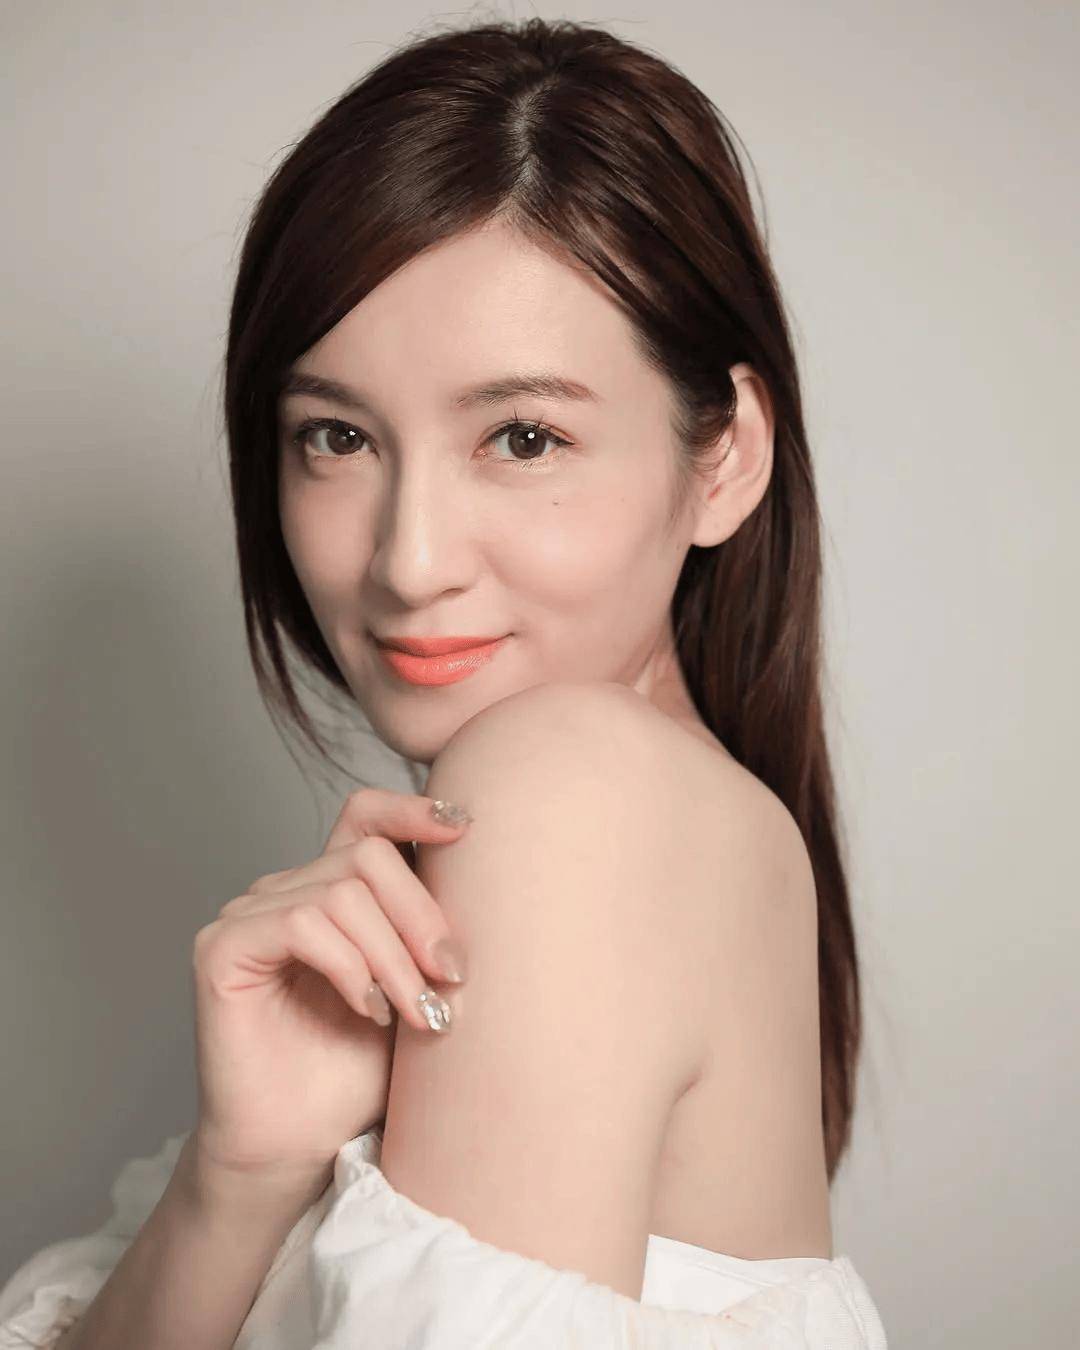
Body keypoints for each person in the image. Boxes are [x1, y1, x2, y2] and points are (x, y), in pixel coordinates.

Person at [0, 15, 888, 1348]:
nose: (407, 561)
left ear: (726, 459)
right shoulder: (658, 831)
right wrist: (240, 1176)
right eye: (336, 435)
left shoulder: (572, 788)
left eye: (523, 437)